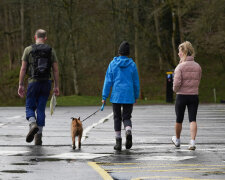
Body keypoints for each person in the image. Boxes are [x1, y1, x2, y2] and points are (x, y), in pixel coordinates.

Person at [18, 29, 59, 145]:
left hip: (33, 82)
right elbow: (55, 70)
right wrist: (56, 86)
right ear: (45, 38)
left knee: (29, 106)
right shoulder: (51, 51)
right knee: (41, 109)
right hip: (46, 82)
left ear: (35, 37)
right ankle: (38, 138)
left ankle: (32, 123)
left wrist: (21, 84)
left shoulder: (28, 50)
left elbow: (23, 69)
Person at [102, 41, 140, 151]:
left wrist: (104, 97)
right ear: (128, 53)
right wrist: (136, 96)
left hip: (116, 96)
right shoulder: (132, 65)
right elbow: (136, 82)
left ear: (119, 52)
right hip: (129, 95)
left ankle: (118, 142)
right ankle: (128, 130)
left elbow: (107, 81)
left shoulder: (112, 64)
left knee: (117, 117)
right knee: (127, 117)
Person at [172, 41, 202, 150]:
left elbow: (176, 83)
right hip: (194, 95)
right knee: (192, 119)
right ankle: (192, 142)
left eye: (179, 52)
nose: (178, 54)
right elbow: (198, 79)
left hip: (181, 96)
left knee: (179, 119)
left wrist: (175, 90)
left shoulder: (180, 67)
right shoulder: (198, 66)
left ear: (184, 52)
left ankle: (177, 140)